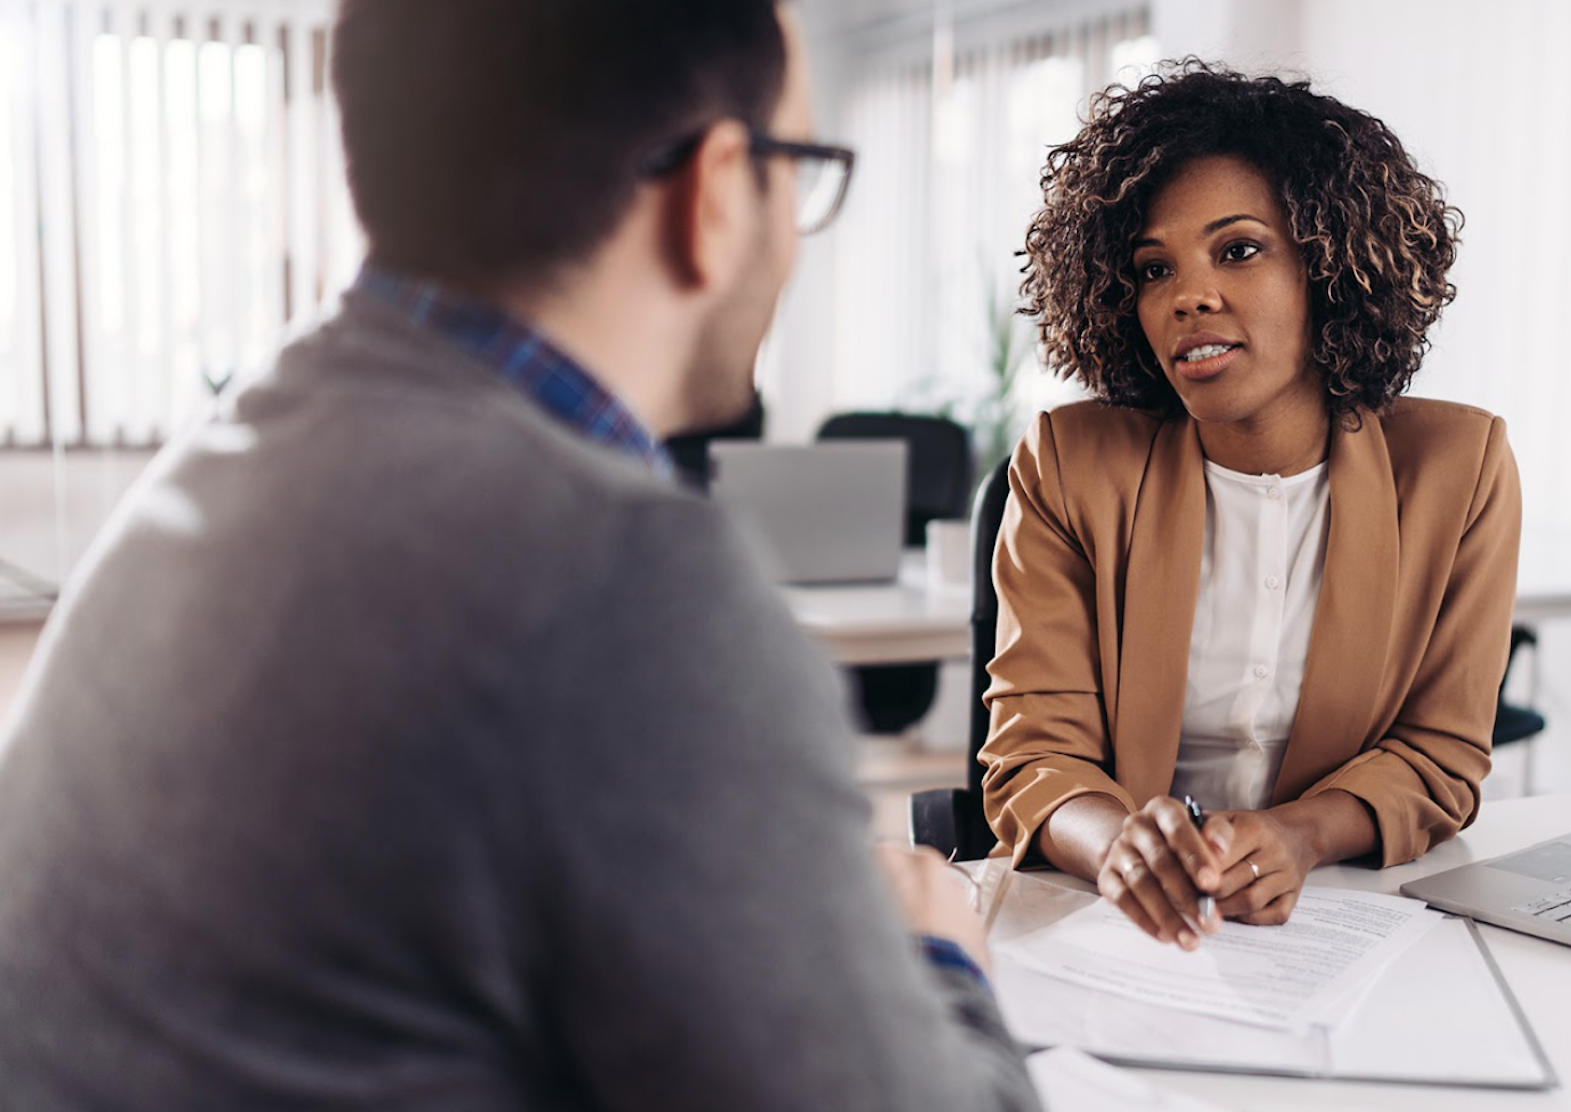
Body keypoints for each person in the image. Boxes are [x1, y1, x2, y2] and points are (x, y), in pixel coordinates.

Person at [0, 3, 1038, 1109]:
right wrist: (943, 957)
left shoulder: (221, 461)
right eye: (801, 168)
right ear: (720, 191)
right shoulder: (633, 585)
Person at [984, 61, 1521, 951]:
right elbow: (1036, 754)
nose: (1187, 296)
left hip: (1352, 919)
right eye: (1154, 268)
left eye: (1238, 250)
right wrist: (1122, 847)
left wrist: (1300, 836)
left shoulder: (1458, 469)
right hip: (1116, 928)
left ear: (1330, 266)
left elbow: (1441, 755)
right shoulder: (1069, 464)